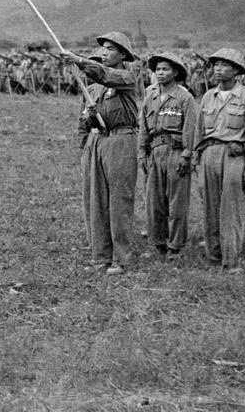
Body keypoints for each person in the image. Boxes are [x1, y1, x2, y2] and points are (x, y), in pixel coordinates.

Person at [66, 32, 141, 276]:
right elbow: (82, 122)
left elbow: (106, 75)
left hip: (121, 141)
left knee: (119, 201)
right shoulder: (92, 89)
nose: (105, 53)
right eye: (103, 49)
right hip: (96, 141)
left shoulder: (126, 77)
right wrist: (83, 144)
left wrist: (78, 60)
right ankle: (101, 257)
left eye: (110, 49)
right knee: (95, 201)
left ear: (122, 54)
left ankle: (122, 259)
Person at [192, 48, 245, 274]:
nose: (217, 69)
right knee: (210, 207)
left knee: (231, 209)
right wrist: (195, 157)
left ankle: (231, 260)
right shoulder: (207, 96)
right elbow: (199, 130)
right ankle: (213, 256)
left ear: (236, 71)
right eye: (216, 65)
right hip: (209, 154)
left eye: (224, 65)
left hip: (233, 155)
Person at [138, 52, 197, 260]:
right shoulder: (150, 97)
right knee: (154, 201)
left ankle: (175, 246)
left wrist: (187, 155)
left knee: (177, 202)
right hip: (155, 152)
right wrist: (142, 153)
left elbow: (191, 128)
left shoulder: (184, 97)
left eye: (166, 69)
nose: (161, 73)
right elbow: (143, 127)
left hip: (176, 152)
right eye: (158, 69)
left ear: (175, 72)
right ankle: (159, 242)